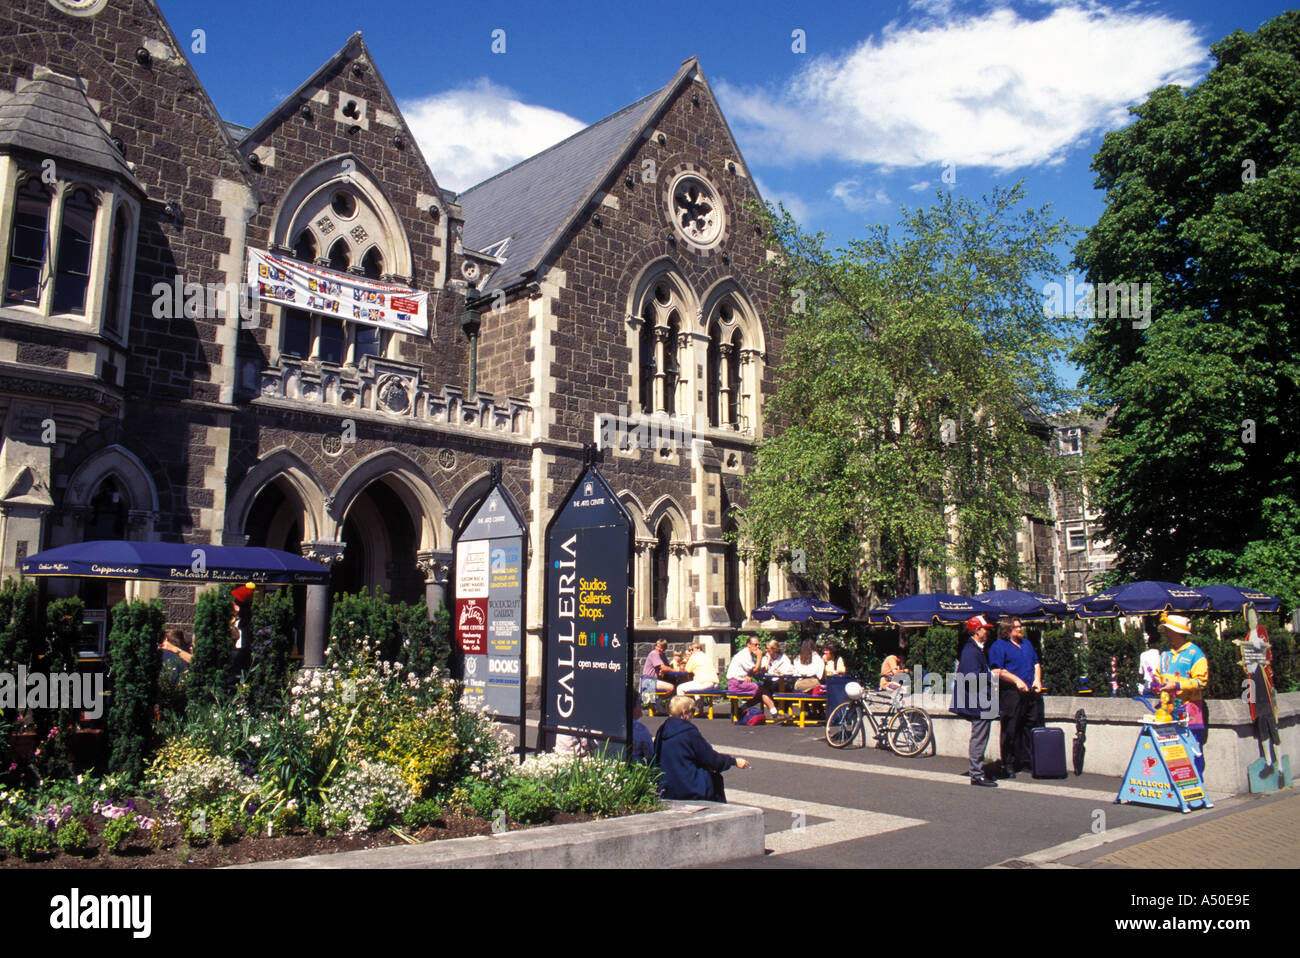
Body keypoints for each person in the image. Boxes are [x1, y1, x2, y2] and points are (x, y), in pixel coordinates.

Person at [653, 695, 750, 801]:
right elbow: (711, 758)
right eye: (692, 711)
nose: (693, 715)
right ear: (685, 712)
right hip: (690, 787)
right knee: (714, 781)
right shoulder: (687, 731)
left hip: (667, 787)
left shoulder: (662, 730)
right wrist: (733, 761)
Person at [1149, 614, 1210, 780]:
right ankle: (1176, 783)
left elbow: (1201, 682)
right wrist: (1155, 685)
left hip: (1190, 709)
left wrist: (1176, 686)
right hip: (1168, 709)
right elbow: (1159, 674)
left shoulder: (1195, 654)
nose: (1166, 634)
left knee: (1192, 748)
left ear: (1177, 632)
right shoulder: (1166, 654)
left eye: (1168, 631)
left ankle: (1196, 783)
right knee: (1171, 748)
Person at [988, 618, 1042, 778]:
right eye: (1017, 627)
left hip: (1029, 692)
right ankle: (1009, 763)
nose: (1020, 629)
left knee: (1029, 726)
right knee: (1010, 729)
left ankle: (1026, 761)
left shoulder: (1026, 644)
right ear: (1007, 630)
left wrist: (1037, 680)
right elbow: (996, 671)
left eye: (1020, 626)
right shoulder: (999, 646)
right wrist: (1016, 681)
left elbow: (1036, 664)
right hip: (1011, 694)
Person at [952, 614, 998, 787]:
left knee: (980, 736)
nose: (987, 632)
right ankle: (977, 774)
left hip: (979, 700)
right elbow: (972, 676)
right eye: (985, 629)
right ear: (977, 630)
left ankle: (977, 772)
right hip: (978, 701)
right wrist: (992, 675)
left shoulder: (974, 649)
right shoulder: (971, 651)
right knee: (979, 737)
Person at [727, 635, 779, 720]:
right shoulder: (744, 655)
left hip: (739, 682)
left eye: (758, 645)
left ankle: (740, 710)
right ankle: (775, 714)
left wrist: (749, 674)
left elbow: (753, 670)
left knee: (759, 694)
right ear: (749, 645)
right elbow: (755, 669)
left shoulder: (747, 654)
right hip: (736, 684)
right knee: (763, 690)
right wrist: (759, 656)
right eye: (755, 645)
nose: (758, 647)